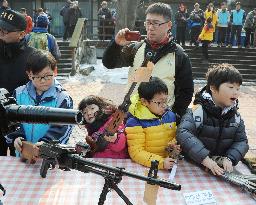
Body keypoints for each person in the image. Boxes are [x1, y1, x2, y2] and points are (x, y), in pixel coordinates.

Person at [103, 2, 194, 119]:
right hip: (131, 117)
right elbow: (109, 63)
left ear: (169, 25)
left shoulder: (179, 55)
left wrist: (174, 115)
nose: (150, 28)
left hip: (160, 121)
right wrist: (116, 44)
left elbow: (186, 91)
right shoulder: (136, 48)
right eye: (148, 23)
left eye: (156, 23)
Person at [177, 63, 249, 176]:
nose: (236, 92)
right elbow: (183, 133)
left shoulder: (235, 117)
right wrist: (204, 159)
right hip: (194, 166)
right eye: (231, 87)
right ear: (213, 88)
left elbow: (241, 141)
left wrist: (230, 158)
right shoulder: (197, 111)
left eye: (238, 88)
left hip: (221, 170)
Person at [6, 50, 73, 157]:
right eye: (37, 77)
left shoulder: (62, 98)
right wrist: (16, 137)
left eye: (47, 76)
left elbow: (63, 127)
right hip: (23, 154)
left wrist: (46, 143)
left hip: (50, 157)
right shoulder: (18, 93)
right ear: (29, 74)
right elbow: (10, 121)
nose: (42, 81)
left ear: (55, 71)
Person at [0, 9, 36, 156]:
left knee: (25, 167)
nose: (0, 32)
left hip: (24, 123)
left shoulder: (34, 57)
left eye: (5, 30)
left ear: (22, 34)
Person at [125, 77, 179, 169]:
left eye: (166, 101)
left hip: (168, 165)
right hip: (144, 168)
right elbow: (136, 153)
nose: (164, 106)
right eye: (159, 102)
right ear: (144, 102)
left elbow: (173, 139)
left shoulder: (170, 116)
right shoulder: (135, 122)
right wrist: (160, 163)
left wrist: (173, 149)